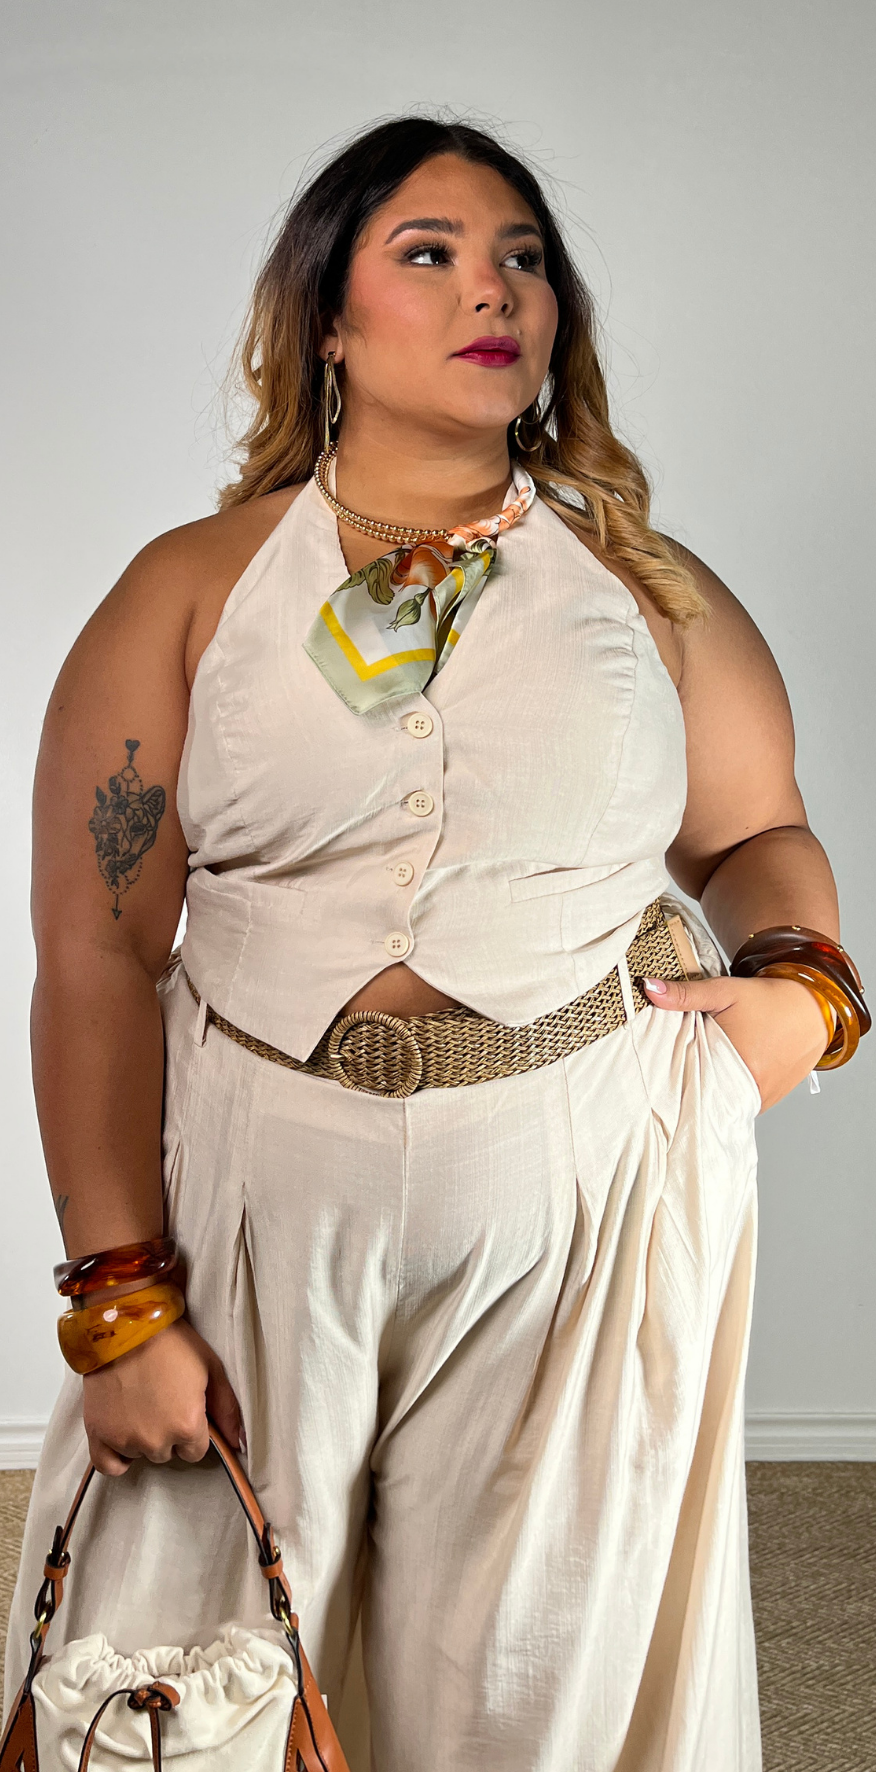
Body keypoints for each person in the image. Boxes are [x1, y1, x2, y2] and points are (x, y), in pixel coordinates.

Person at [3, 115, 868, 1772]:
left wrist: (806, 992)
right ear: (326, 319)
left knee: (531, 1689)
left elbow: (761, 833)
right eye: (432, 253)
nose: (495, 289)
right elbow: (97, 949)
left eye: (523, 258)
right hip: (254, 1192)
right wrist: (119, 1302)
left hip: (578, 1199)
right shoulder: (190, 590)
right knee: (190, 1691)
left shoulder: (648, 590)